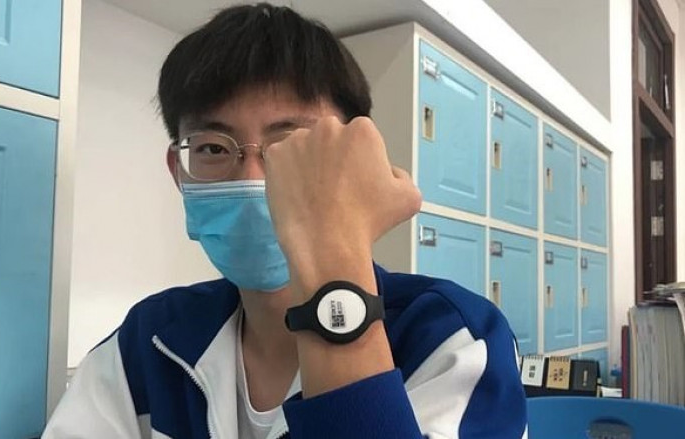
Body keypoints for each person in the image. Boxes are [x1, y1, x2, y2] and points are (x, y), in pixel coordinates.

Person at [43, 3, 526, 438]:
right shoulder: (149, 340)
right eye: (213, 148)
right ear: (179, 173)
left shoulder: (450, 338)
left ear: (357, 160)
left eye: (290, 146)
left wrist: (332, 262)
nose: (253, 177)